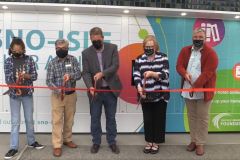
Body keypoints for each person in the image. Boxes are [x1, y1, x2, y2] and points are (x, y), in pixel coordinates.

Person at [176, 28, 218, 156]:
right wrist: (185, 74)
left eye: (201, 37)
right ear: (192, 38)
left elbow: (208, 73)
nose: (198, 39)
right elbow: (179, 66)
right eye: (196, 37)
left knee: (203, 118)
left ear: (205, 39)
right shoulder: (185, 50)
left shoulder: (211, 53)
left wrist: (196, 85)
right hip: (188, 90)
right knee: (192, 117)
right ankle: (193, 140)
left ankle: (200, 143)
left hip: (203, 91)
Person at [82, 27, 122, 154]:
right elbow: (86, 72)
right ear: (90, 39)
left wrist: (102, 74)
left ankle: (112, 142)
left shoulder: (112, 48)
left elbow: (115, 66)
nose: (96, 43)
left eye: (98, 40)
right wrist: (90, 86)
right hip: (96, 91)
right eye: (93, 41)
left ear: (102, 38)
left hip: (110, 90)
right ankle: (96, 142)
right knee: (95, 117)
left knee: (111, 117)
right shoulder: (86, 53)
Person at [4, 37, 44, 159]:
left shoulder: (29, 59)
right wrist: (15, 88)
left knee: (29, 119)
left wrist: (26, 75)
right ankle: (13, 147)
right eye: (14, 50)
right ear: (11, 49)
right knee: (15, 122)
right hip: (14, 96)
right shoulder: (8, 61)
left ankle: (31, 142)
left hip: (27, 94)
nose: (17, 52)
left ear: (23, 49)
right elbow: (8, 79)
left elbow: (35, 76)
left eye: (19, 50)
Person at [133, 35, 170, 154]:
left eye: (151, 46)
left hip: (160, 95)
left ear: (155, 47)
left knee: (158, 119)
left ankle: (156, 143)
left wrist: (153, 74)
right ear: (143, 47)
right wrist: (139, 87)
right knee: (148, 119)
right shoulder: (139, 58)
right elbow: (136, 75)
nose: (148, 48)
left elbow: (166, 74)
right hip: (145, 95)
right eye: (146, 46)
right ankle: (149, 141)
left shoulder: (163, 57)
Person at [46, 38, 81, 157]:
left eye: (64, 48)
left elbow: (78, 74)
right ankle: (57, 145)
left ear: (68, 48)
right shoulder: (52, 63)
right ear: (55, 49)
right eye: (58, 48)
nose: (61, 50)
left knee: (69, 119)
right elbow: (49, 81)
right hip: (57, 96)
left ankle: (67, 139)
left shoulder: (73, 59)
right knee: (57, 121)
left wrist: (70, 76)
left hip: (71, 94)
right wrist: (58, 89)